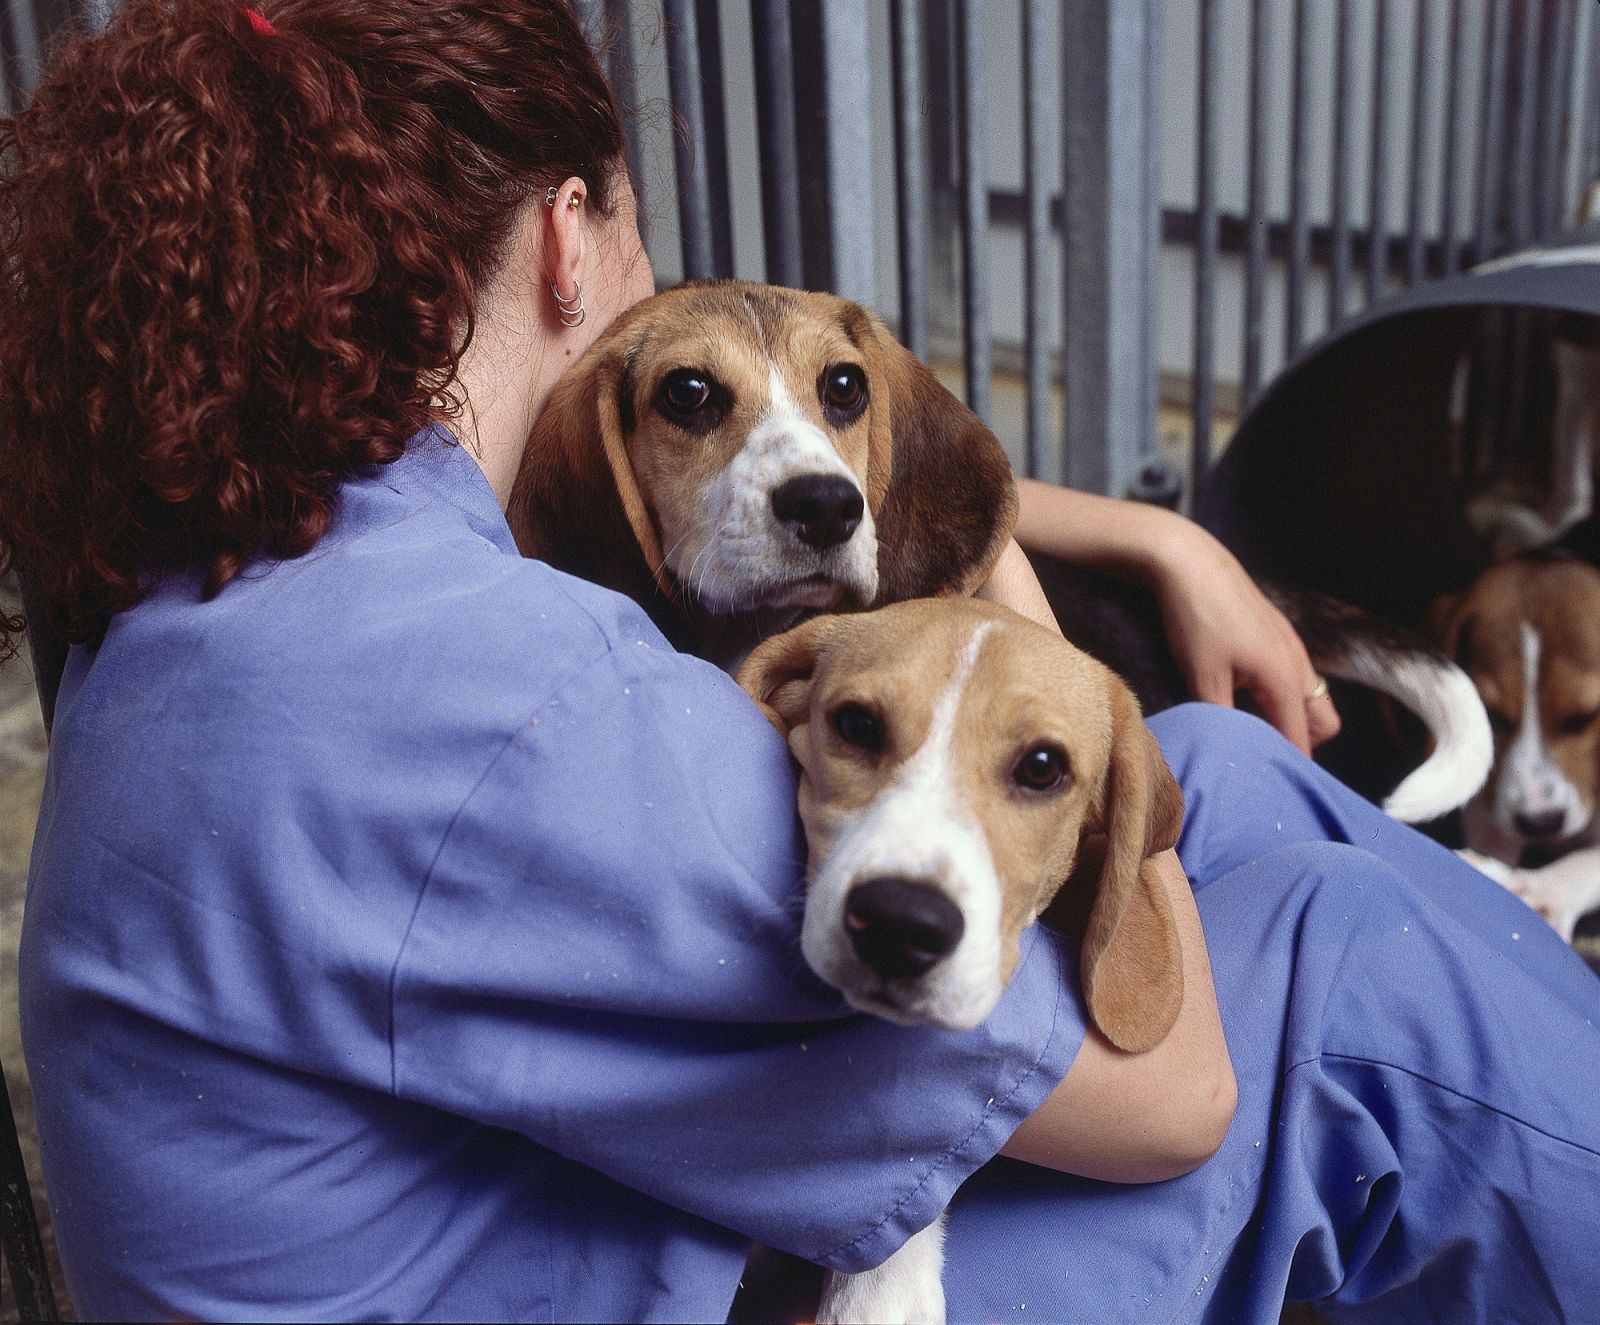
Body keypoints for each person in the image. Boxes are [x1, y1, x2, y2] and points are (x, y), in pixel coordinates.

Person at [0, 3, 1594, 1322]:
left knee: (1225, 766)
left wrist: (1123, 533)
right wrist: (1014, 610)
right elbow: (1178, 1088)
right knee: (1348, 971)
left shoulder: (233, 583)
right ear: (572, 237)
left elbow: (774, 491)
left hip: (535, 1238)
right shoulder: (501, 704)